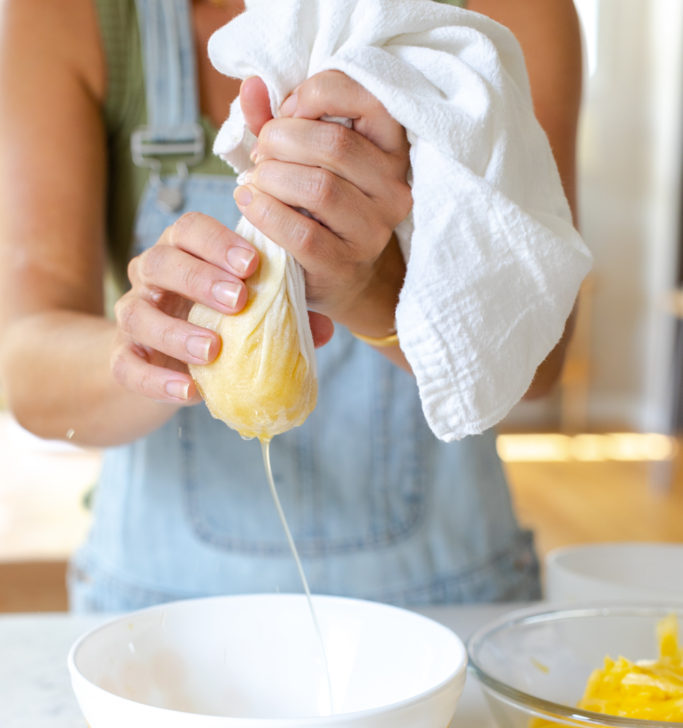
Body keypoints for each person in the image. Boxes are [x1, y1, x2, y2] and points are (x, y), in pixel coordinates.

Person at [0, 0, 583, 612]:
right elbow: (30, 371)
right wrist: (153, 349)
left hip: (449, 607)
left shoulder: (505, 19)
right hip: (161, 619)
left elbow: (539, 364)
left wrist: (371, 289)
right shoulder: (65, 14)